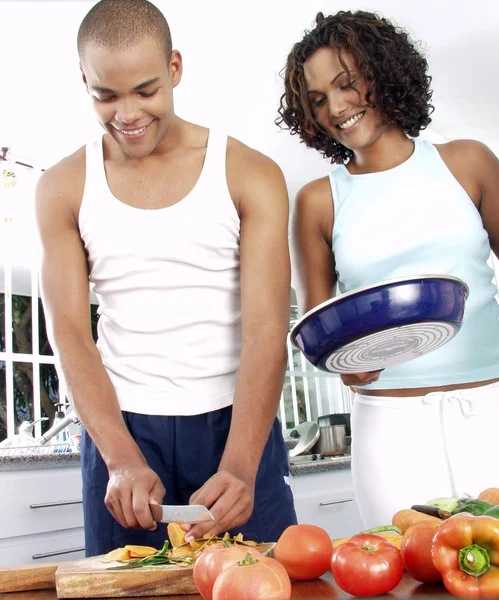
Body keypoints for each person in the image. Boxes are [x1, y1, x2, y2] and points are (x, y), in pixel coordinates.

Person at [35, 0, 296, 557]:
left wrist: (242, 465)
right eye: (106, 95)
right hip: (123, 432)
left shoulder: (250, 173)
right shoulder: (61, 186)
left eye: (146, 90)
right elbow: (70, 335)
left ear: (175, 68)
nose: (127, 114)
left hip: (237, 423)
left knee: (262, 586)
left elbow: (267, 330)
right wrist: (121, 458)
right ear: (85, 81)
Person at [277, 10, 499, 528]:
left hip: (490, 408)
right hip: (388, 426)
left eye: (346, 83)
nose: (335, 107)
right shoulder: (318, 201)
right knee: (403, 575)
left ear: (383, 72)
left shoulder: (468, 162)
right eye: (317, 100)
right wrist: (338, 362)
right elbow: (318, 331)